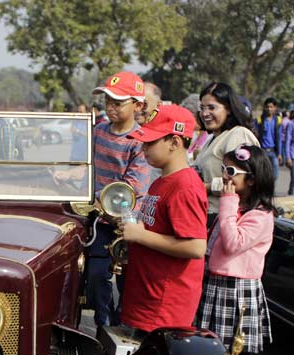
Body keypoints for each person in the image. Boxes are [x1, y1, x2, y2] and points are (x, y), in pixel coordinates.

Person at [57, 71, 150, 327]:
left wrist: (100, 202)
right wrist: (68, 175)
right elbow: (88, 168)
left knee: (126, 283)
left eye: (118, 102)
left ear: (137, 105)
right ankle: (103, 328)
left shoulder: (140, 142)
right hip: (99, 223)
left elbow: (133, 187)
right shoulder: (98, 131)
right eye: (108, 101)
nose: (110, 107)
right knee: (97, 277)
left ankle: (123, 329)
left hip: (125, 226)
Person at [195, 145, 275, 355]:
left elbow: (232, 244)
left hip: (238, 290)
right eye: (224, 169)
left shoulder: (260, 216)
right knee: (210, 346)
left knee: (238, 353)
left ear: (251, 180)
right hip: (216, 283)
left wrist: (227, 203)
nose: (225, 177)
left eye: (231, 171)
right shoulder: (236, 208)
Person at [120, 103, 208, 333]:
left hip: (163, 307)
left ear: (175, 143)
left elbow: (196, 246)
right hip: (147, 296)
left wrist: (141, 236)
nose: (144, 147)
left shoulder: (185, 186)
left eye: (150, 142)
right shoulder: (161, 181)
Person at [193, 82, 258, 219]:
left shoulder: (238, 135)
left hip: (227, 215)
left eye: (212, 108)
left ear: (228, 109)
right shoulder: (212, 138)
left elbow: (242, 179)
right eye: (202, 108)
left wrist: (208, 187)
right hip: (206, 212)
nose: (205, 113)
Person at [255, 97, 282, 178]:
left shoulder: (278, 120)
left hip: (274, 151)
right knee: (263, 174)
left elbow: (279, 137)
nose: (269, 109)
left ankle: (270, 189)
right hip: (263, 150)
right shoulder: (259, 120)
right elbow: (255, 136)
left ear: (275, 108)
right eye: (267, 107)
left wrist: (280, 153)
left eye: (271, 107)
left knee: (275, 175)